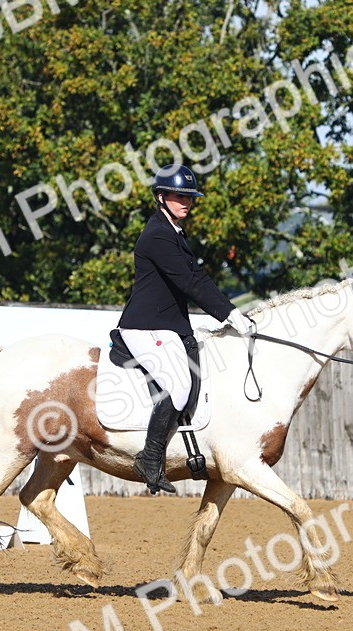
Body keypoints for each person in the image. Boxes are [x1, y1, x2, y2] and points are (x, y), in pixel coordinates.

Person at [117, 165, 254, 494]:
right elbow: (191, 282)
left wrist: (232, 310)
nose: (188, 202)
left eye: (191, 197)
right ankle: (150, 459)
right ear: (162, 197)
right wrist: (229, 314)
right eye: (181, 196)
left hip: (168, 326)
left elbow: (200, 278)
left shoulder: (174, 231)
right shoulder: (158, 235)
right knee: (178, 386)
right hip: (145, 326)